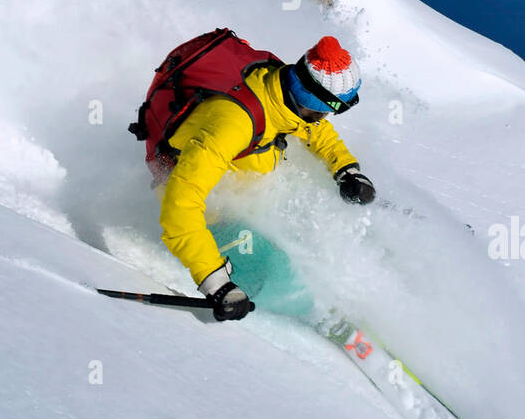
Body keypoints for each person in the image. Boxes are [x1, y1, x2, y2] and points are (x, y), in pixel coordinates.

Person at [158, 36, 376, 321]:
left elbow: (312, 129)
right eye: (331, 109)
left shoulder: (282, 88)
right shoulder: (233, 124)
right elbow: (180, 205)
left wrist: (346, 169)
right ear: (311, 99)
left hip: (244, 182)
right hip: (210, 209)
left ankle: (314, 297)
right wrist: (217, 285)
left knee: (308, 231)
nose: (328, 117)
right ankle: (311, 313)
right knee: (274, 271)